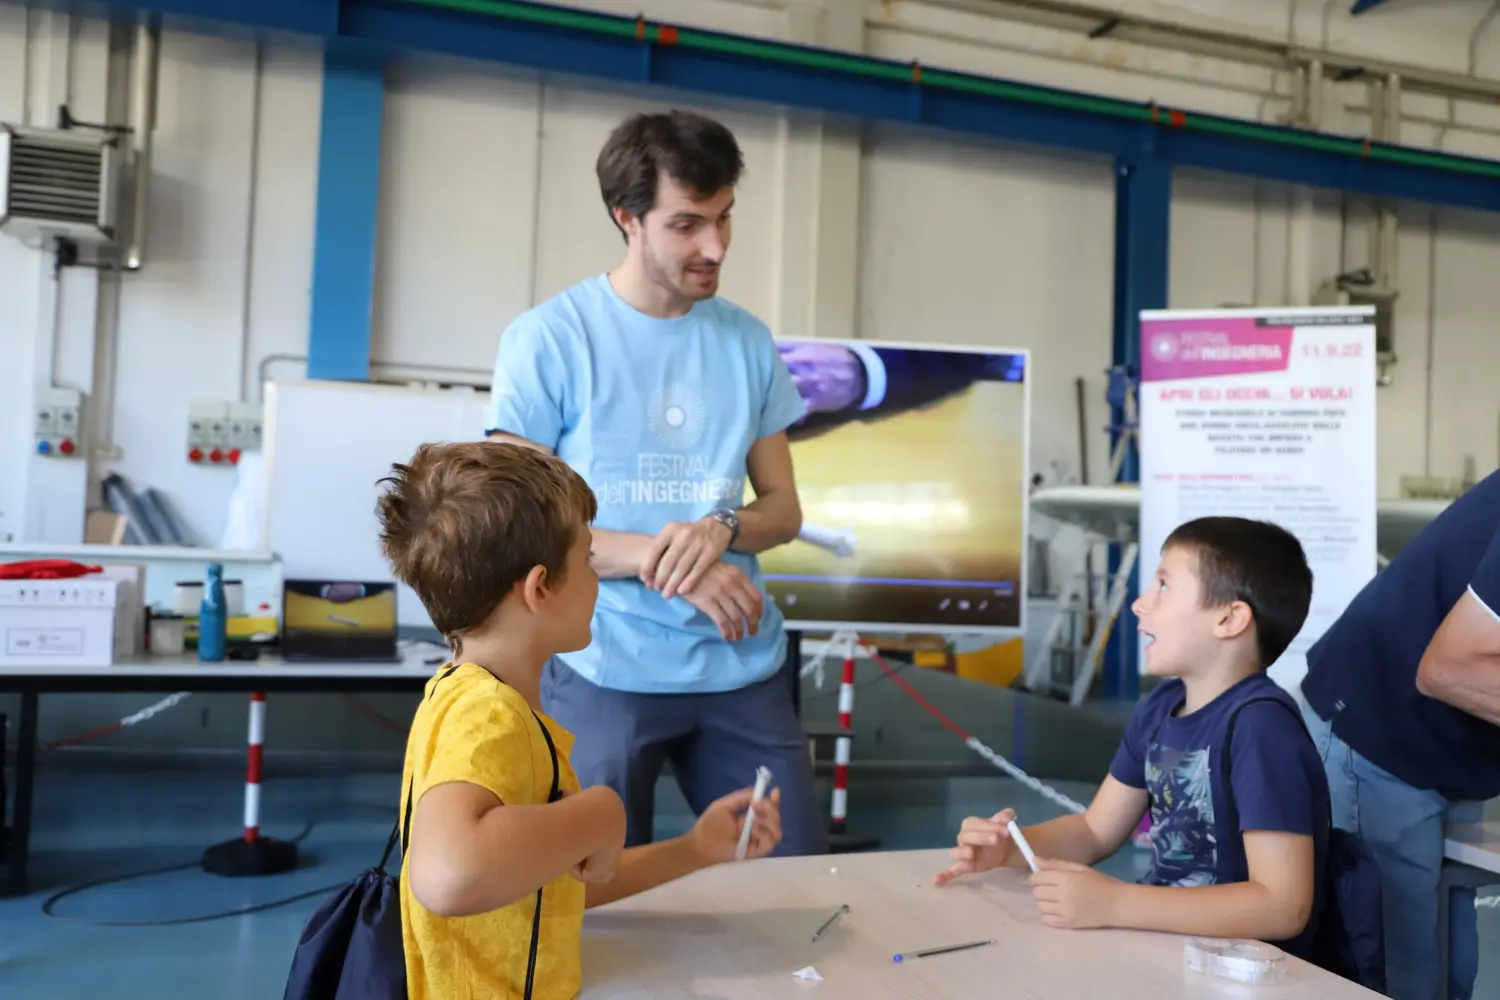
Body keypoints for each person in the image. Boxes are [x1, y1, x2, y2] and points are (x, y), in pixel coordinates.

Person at [484, 109, 825, 856]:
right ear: (627, 218)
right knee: (594, 894)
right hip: (601, 664)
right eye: (687, 224)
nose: (716, 246)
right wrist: (672, 563)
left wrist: (720, 529)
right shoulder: (550, 339)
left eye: (724, 217)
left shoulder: (747, 341)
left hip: (740, 664)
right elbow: (517, 527)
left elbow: (783, 509)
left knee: (795, 880)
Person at [376, 441, 783, 1000]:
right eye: (588, 560)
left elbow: (549, 884)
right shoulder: (485, 714)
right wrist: (602, 811)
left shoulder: (479, 697)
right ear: (540, 587)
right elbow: (448, 876)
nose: (597, 580)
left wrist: (694, 848)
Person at [934, 517, 1330, 958]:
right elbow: (1093, 831)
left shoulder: (1262, 728)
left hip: (1245, 971)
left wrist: (1116, 903)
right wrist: (1010, 848)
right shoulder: (1160, 707)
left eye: (1163, 585)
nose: (1140, 605)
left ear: (1229, 618)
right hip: (1168, 952)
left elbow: (1282, 906)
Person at [1298, 468, 1500, 1000]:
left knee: (1452, 971)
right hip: (1381, 730)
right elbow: (1448, 670)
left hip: (1463, 749)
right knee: (1394, 975)